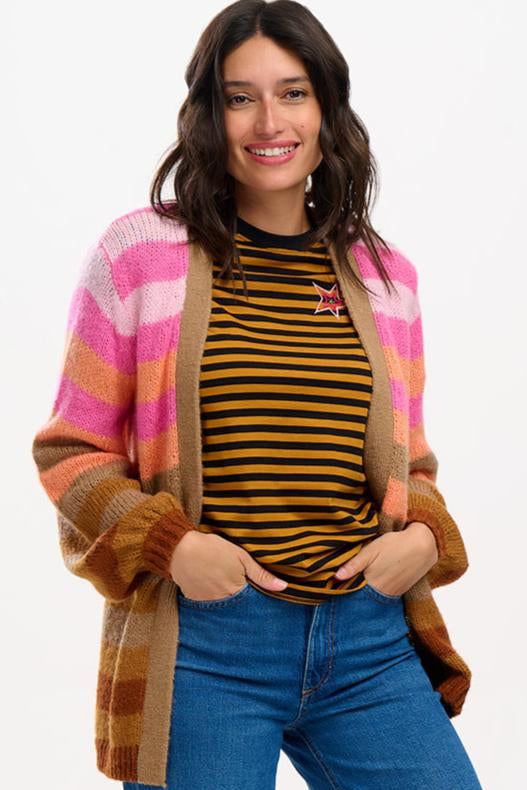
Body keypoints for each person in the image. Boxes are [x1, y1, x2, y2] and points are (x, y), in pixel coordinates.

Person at [31, 1, 484, 788]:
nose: (268, 122)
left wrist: (424, 536)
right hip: (205, 646)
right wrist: (173, 546)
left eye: (293, 93)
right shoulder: (141, 256)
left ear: (327, 107)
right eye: (240, 98)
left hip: (369, 641)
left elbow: (409, 463)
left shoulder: (386, 279)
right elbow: (72, 450)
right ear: (209, 114)